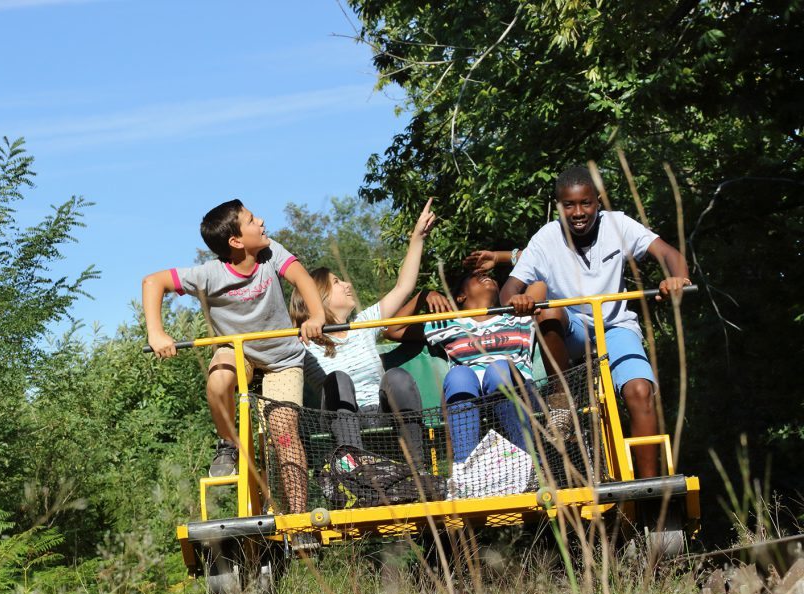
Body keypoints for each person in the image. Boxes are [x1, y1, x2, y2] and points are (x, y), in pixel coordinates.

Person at [469, 165, 692, 479]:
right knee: (546, 310)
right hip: (571, 329)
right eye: (568, 205)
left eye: (585, 203)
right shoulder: (546, 238)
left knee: (641, 391)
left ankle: (650, 487)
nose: (578, 212)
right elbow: (509, 291)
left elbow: (667, 253)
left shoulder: (618, 224)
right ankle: (562, 400)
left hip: (615, 327)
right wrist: (516, 301)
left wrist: (677, 277)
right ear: (559, 206)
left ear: (598, 201)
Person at [142, 199, 326, 515]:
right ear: (236, 241)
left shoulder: (271, 254)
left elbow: (303, 280)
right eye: (252, 220)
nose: (262, 222)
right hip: (238, 350)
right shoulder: (210, 275)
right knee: (218, 378)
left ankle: (296, 517)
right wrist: (156, 333)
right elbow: (152, 282)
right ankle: (229, 442)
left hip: (281, 358)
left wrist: (317, 316)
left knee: (283, 433)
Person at [288, 199, 437, 463]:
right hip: (339, 422)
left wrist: (417, 238)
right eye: (336, 282)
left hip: (377, 413)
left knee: (397, 377)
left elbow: (403, 287)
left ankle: (418, 468)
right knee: (338, 379)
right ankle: (353, 465)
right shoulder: (304, 344)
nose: (346, 284)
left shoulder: (363, 326)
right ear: (318, 296)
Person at [385, 272, 556, 464]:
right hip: (468, 394)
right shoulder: (449, 323)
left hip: (514, 390)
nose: (486, 275)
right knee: (458, 374)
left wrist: (523, 297)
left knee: (498, 369)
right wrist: (423, 295)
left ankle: (530, 462)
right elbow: (392, 330)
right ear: (460, 296)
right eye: (476, 276)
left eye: (491, 275)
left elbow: (542, 271)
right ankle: (464, 468)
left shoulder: (517, 315)